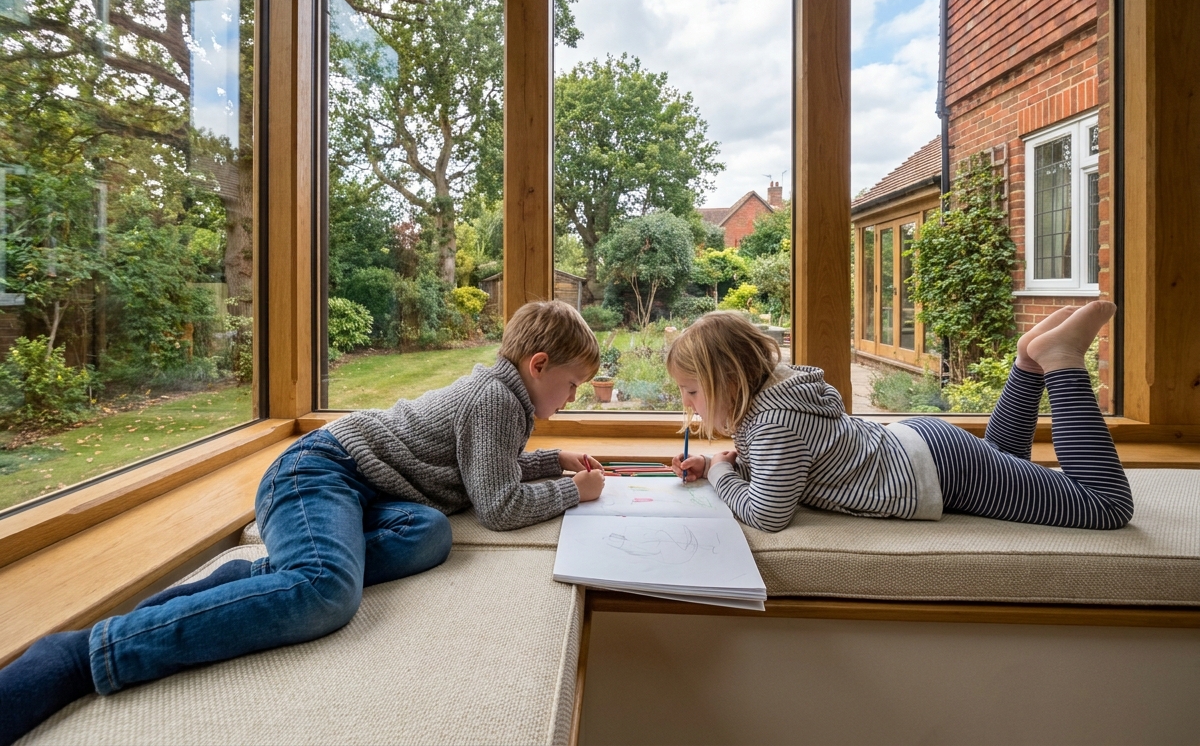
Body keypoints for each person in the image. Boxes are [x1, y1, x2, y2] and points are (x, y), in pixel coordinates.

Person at [0, 300, 606, 745]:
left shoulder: (502, 394)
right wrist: (571, 492)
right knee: (325, 594)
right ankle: (86, 654)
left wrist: (554, 462)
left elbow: (483, 474)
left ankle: (277, 570)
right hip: (320, 471)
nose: (573, 398)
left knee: (430, 533)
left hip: (370, 490)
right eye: (572, 385)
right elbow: (498, 508)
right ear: (538, 363)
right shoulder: (501, 399)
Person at [667, 303, 1133, 534]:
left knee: (1106, 507)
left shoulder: (772, 424)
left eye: (692, 391)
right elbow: (787, 467)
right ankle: (1029, 365)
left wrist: (723, 473)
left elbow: (768, 515)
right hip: (924, 447)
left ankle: (1062, 362)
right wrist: (717, 465)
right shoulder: (781, 394)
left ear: (731, 380)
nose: (689, 404)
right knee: (1004, 458)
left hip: (938, 473)